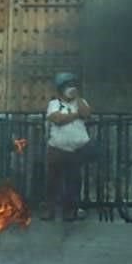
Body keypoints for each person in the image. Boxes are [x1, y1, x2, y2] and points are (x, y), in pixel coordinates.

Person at [43, 72, 92, 221]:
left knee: (73, 181)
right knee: (53, 181)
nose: (71, 88)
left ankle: (70, 211)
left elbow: (87, 113)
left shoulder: (80, 102)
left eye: (73, 86)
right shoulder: (54, 104)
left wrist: (77, 99)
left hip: (75, 151)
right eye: (68, 86)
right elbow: (57, 119)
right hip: (56, 149)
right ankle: (50, 210)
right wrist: (76, 115)